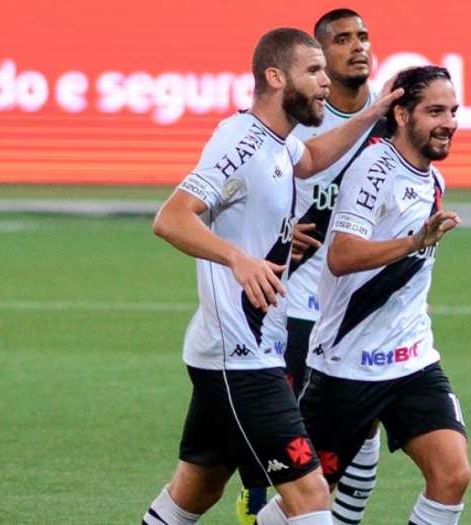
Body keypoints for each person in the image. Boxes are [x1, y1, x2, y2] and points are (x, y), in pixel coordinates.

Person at [141, 27, 401, 525]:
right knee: (309, 495)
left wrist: (370, 114)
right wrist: (238, 258)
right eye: (315, 71)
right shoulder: (239, 141)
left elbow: (314, 159)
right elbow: (171, 218)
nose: (326, 81)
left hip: (242, 350)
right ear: (276, 76)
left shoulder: (280, 144)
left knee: (197, 488)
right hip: (239, 358)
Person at [299, 66, 471, 525]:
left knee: (452, 475)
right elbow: (341, 254)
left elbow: (408, 265)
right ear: (401, 113)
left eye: (452, 111)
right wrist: (414, 243)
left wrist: (415, 287)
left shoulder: (433, 179)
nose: (449, 122)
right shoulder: (373, 169)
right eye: (434, 111)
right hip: (347, 367)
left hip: (412, 360)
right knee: (311, 498)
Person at [237, 10, 385, 525]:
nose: (357, 48)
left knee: (361, 430)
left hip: (357, 306)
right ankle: (257, 507)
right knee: (293, 441)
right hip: (293, 303)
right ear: (318, 60)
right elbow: (251, 184)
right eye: (342, 40)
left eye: (363, 37)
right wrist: (281, 224)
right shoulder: (299, 114)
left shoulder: (393, 116)